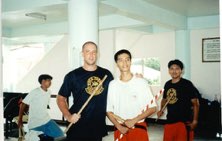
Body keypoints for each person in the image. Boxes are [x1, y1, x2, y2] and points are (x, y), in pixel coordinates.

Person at [57, 41, 113, 141]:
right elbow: (61, 98)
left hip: (97, 125)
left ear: (97, 54)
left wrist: (134, 80)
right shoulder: (72, 75)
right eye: (88, 52)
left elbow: (117, 91)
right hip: (77, 124)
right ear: (82, 54)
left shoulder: (106, 74)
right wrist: (68, 116)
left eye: (94, 52)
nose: (91, 55)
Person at [106, 49, 157, 141]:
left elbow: (152, 108)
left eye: (127, 59)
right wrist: (118, 126)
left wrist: (134, 120)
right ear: (116, 63)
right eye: (120, 60)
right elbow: (109, 111)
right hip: (120, 129)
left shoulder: (141, 82)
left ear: (130, 61)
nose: (124, 63)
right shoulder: (112, 84)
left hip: (138, 128)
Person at [157, 59, 199, 141]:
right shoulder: (167, 84)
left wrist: (195, 121)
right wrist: (161, 110)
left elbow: (196, 103)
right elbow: (164, 99)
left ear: (181, 71)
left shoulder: (187, 84)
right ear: (169, 71)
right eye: (172, 68)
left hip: (183, 123)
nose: (174, 71)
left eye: (177, 68)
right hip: (170, 121)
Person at [18, 74, 64, 140]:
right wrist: (20, 120)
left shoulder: (49, 92)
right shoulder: (35, 92)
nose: (50, 82)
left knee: (60, 135)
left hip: (46, 120)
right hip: (35, 122)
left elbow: (44, 104)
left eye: (50, 81)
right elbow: (23, 104)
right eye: (48, 80)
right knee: (37, 138)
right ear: (43, 81)